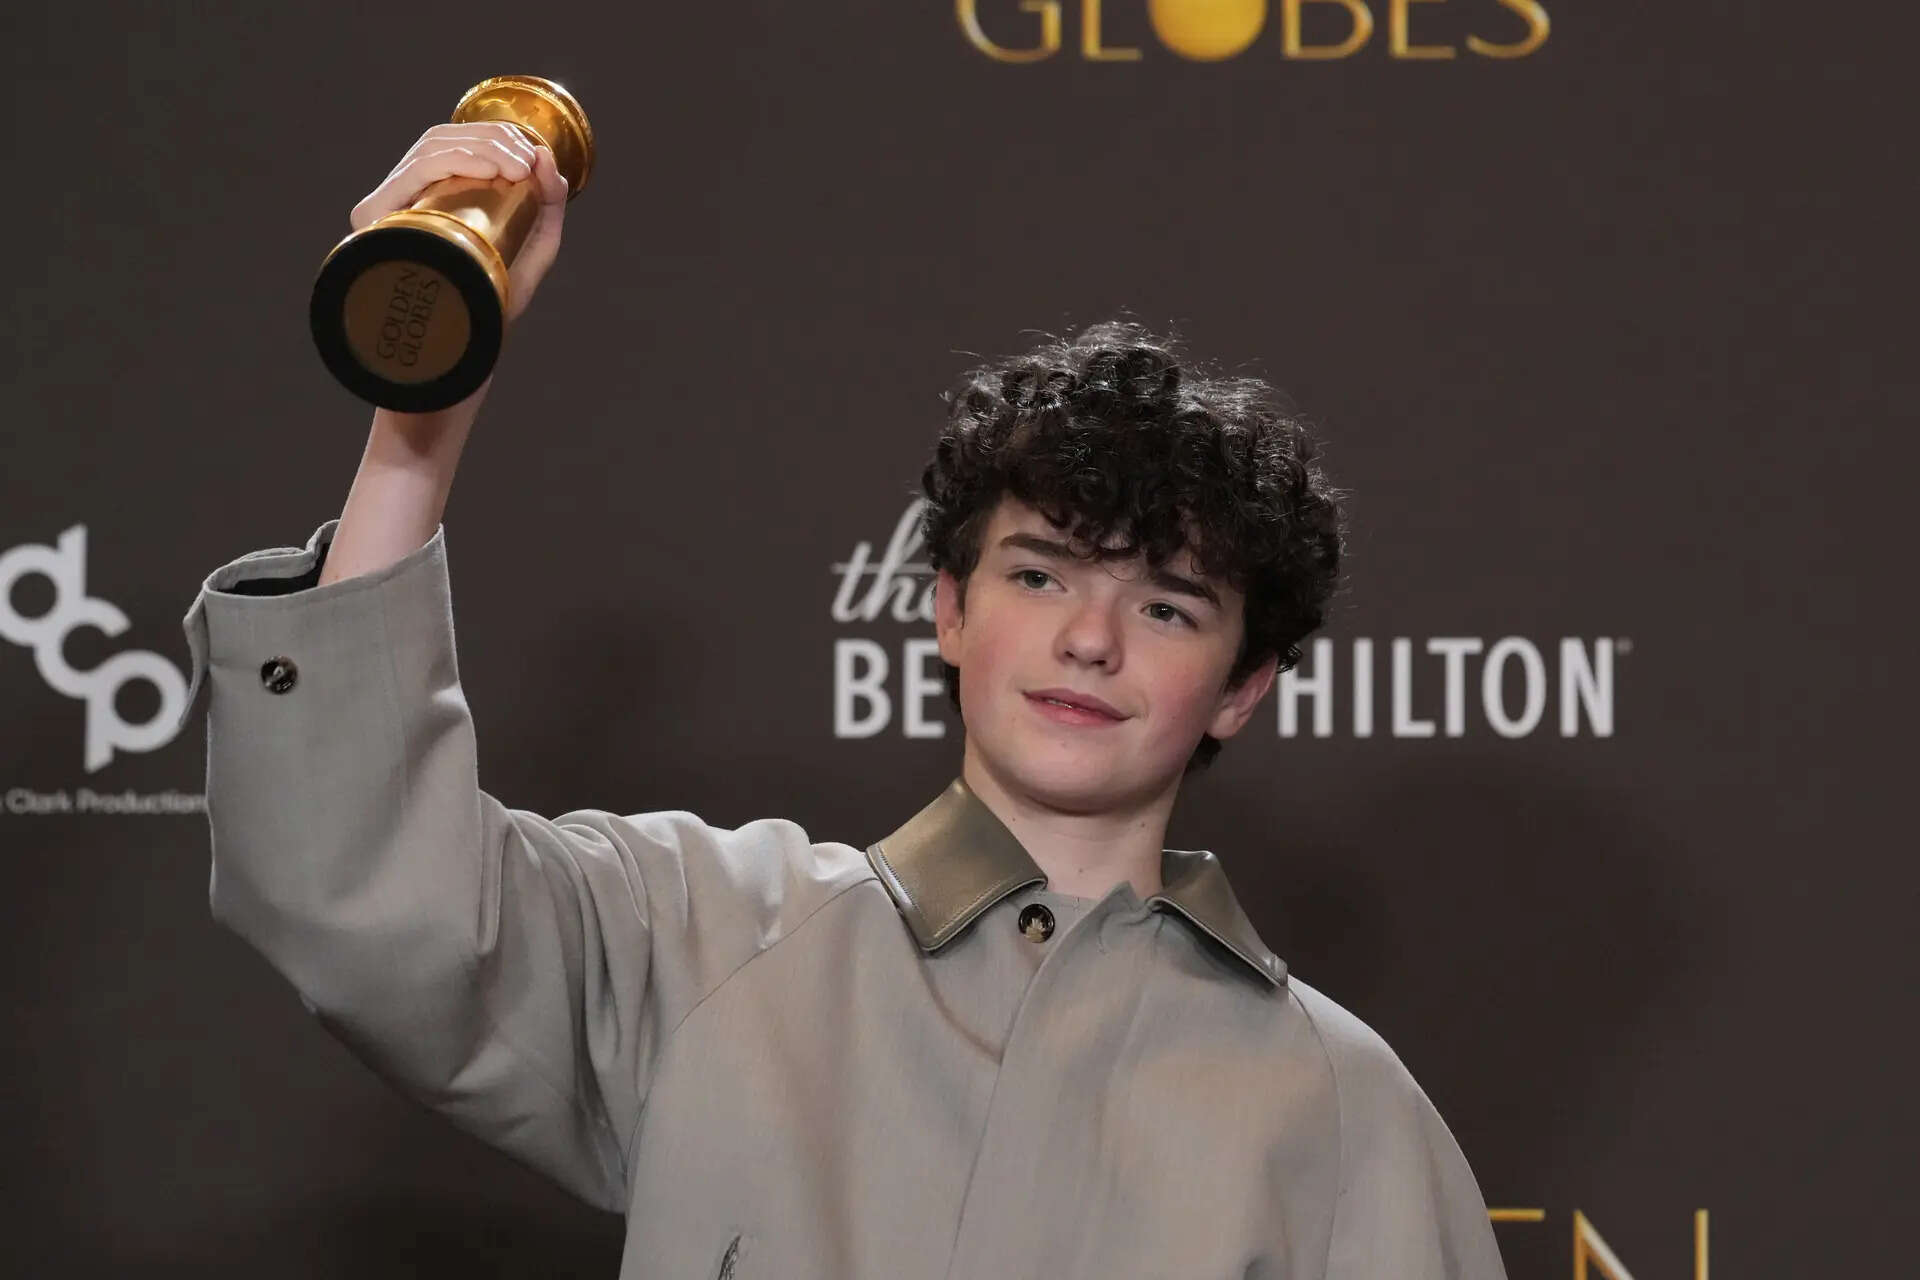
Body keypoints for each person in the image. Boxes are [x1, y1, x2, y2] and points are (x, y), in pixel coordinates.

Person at [177, 121, 1509, 1279]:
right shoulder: (701, 938)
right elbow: (347, 883)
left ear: (1243, 686)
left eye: (1167, 605)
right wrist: (422, 403)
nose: (1093, 639)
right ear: (945, 609)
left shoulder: (1347, 1107)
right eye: (1042, 576)